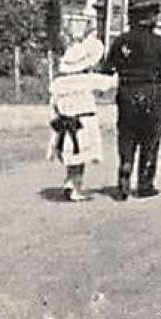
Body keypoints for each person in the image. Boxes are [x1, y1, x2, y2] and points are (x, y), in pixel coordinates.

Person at [102, 0, 161, 200]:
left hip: (127, 92)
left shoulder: (120, 41)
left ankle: (125, 169)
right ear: (151, 18)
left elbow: (106, 69)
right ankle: (145, 183)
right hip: (153, 93)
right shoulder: (159, 42)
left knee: (127, 134)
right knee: (151, 139)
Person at [47, 38, 116, 201]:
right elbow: (111, 83)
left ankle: (70, 181)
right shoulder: (87, 80)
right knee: (81, 156)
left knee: (71, 155)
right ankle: (75, 187)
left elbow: (53, 105)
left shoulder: (58, 83)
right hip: (83, 122)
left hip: (64, 121)